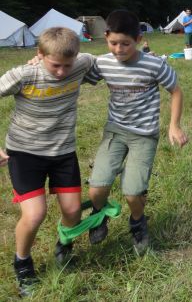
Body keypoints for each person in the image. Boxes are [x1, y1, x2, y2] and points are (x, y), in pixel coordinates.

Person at [0, 28, 95, 296]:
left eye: (68, 65)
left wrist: (146, 58)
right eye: (55, 65)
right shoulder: (24, 74)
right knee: (35, 214)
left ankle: (63, 247)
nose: (62, 72)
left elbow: (111, 60)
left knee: (73, 212)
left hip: (63, 152)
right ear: (39, 55)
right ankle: (23, 264)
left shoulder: (82, 63)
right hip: (24, 154)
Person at [85, 10, 188, 255]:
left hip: (144, 135)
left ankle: (137, 222)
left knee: (132, 192)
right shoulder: (103, 63)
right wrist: (40, 61)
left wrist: (174, 125)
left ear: (139, 39)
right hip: (115, 132)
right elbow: (72, 72)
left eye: (125, 44)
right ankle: (99, 215)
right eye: (113, 43)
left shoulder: (154, 64)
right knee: (97, 187)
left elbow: (176, 91)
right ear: (106, 36)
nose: (119, 49)